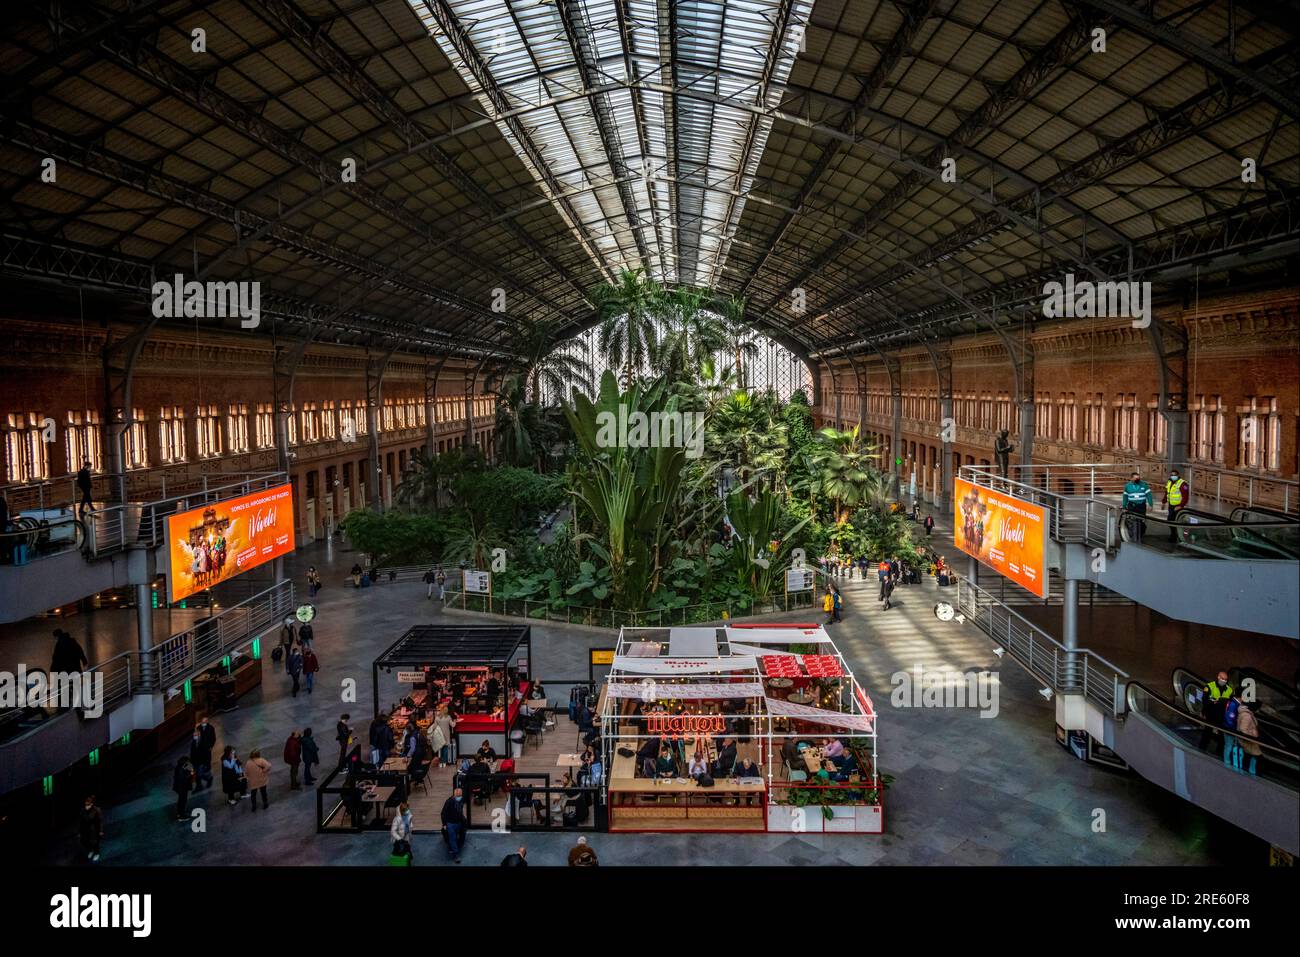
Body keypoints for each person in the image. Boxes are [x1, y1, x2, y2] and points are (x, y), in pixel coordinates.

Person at [1197, 672, 1233, 756]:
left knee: (1222, 737)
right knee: (1207, 733)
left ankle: (1219, 754)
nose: (1224, 681)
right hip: (1211, 713)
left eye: (1225, 679)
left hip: (1222, 715)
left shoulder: (1229, 689)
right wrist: (1208, 709)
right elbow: (1205, 700)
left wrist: (1221, 701)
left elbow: (1230, 701)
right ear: (1218, 677)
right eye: (1222, 678)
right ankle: (1201, 750)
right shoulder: (1209, 686)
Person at [1122, 471, 1153, 542]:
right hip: (1132, 506)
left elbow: (1149, 495)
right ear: (1131, 478)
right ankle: (1133, 534)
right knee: (1131, 521)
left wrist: (1150, 504)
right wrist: (1124, 506)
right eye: (1136, 478)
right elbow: (1125, 497)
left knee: (1141, 521)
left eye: (1138, 478)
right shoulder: (1127, 486)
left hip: (1141, 506)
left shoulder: (1144, 485)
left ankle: (1141, 533)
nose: (1138, 479)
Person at [1234, 700, 1261, 776]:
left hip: (1250, 740)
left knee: (1251, 756)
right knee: (1256, 756)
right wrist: (1251, 737)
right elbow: (1243, 729)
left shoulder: (1246, 714)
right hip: (1249, 741)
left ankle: (1249, 771)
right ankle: (1251, 772)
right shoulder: (1247, 716)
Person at [441, 787, 467, 863]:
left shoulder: (461, 799)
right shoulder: (449, 802)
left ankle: (452, 846)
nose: (460, 797)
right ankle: (456, 855)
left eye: (460, 795)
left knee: (457, 836)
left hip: (459, 822)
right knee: (452, 838)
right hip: (450, 823)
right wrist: (444, 824)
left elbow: (460, 810)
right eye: (458, 796)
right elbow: (443, 813)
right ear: (454, 795)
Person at [1164, 469, 1189, 541]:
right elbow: (1167, 492)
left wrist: (1180, 506)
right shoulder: (1169, 482)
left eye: (1174, 475)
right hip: (1171, 505)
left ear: (1178, 476)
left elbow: (1186, 496)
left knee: (1176, 521)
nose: (1173, 476)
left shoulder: (1183, 484)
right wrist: (1164, 501)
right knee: (1170, 521)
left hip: (1178, 506)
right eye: (1172, 475)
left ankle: (1179, 536)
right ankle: (1174, 535)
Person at [79, 794, 104, 862]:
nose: (86, 806)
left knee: (95, 842)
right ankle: (91, 850)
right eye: (86, 805)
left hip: (94, 829)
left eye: (88, 805)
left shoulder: (97, 810)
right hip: (85, 829)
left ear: (92, 804)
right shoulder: (83, 810)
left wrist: (101, 831)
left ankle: (96, 853)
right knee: (85, 841)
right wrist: (80, 831)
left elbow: (100, 820)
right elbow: (81, 821)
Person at [190, 725, 214, 791]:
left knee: (200, 774)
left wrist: (207, 763)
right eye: (194, 735)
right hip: (195, 762)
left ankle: (209, 779)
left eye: (196, 735)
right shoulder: (193, 742)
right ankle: (199, 786)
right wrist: (191, 761)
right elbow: (192, 752)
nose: (194, 736)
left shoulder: (204, 742)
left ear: (199, 734)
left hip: (202, 762)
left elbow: (208, 754)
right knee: (197, 774)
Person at [172, 756, 194, 821]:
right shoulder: (181, 769)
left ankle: (181, 813)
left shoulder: (180, 767)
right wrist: (190, 774)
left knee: (182, 800)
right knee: (182, 800)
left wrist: (190, 772)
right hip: (182, 788)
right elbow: (183, 778)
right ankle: (181, 815)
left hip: (181, 787)